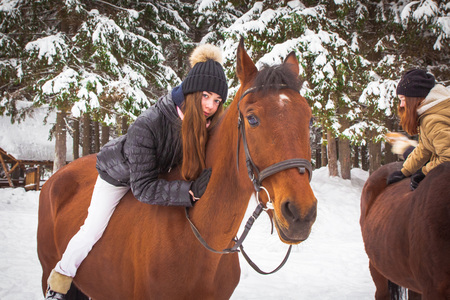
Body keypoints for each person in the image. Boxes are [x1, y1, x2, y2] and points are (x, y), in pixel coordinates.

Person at [45, 44, 228, 299]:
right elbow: (142, 187)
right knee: (92, 228)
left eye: (217, 100)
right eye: (205, 96)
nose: (210, 105)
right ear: (191, 91)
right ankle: (60, 282)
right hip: (121, 176)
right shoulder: (149, 124)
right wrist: (187, 191)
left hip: (158, 173)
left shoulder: (205, 123)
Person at [386, 69, 450, 190]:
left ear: (414, 98)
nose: (401, 105)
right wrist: (405, 171)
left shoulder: (434, 120)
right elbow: (424, 147)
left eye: (403, 99)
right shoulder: (430, 112)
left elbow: (448, 158)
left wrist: (424, 172)